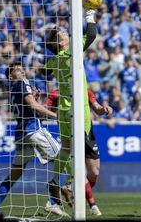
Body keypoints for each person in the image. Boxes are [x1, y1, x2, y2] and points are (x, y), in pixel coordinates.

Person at [44, 8, 97, 211]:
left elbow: (45, 69)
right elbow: (91, 35)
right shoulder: (71, 53)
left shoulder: (54, 60)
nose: (67, 34)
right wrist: (89, 14)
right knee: (77, 152)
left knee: (66, 149)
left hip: (63, 110)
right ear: (61, 43)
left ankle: (56, 184)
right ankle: (74, 191)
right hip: (78, 108)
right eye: (63, 35)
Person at [0, 64, 59, 213]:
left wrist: (36, 99)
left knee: (12, 177)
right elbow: (34, 108)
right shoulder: (22, 82)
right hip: (34, 131)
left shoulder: (13, 90)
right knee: (67, 161)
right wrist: (58, 116)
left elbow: (32, 109)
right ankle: (53, 202)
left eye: (22, 69)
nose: (22, 71)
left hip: (21, 136)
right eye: (17, 69)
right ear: (10, 76)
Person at [46, 88, 113, 216]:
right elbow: (46, 111)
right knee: (78, 170)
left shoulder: (85, 90)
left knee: (94, 173)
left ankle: (70, 190)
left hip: (87, 133)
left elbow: (97, 108)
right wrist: (58, 113)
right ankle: (91, 205)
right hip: (68, 134)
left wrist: (104, 109)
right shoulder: (55, 93)